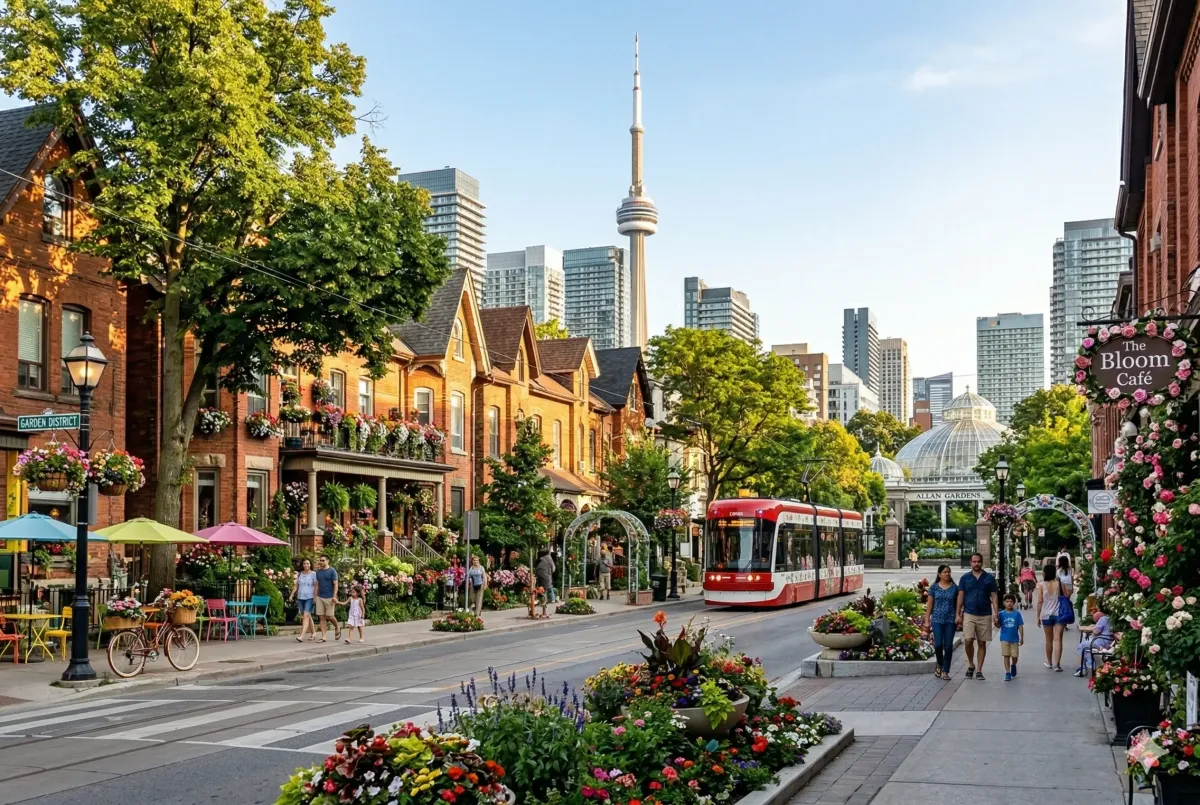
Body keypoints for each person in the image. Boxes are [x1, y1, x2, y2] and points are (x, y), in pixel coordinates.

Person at [956, 552, 999, 681]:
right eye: (974, 561)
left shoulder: (989, 579)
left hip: (985, 613)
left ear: (982, 562)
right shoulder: (965, 578)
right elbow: (960, 596)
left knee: (982, 642)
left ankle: (979, 669)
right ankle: (970, 664)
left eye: (978, 561)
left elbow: (994, 596)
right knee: (968, 640)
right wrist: (957, 614)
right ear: (970, 563)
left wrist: (996, 613)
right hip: (969, 612)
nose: (976, 564)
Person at [923, 564, 958, 680]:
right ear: (939, 574)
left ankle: (946, 671)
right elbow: (930, 605)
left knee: (948, 646)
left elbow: (958, 605)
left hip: (950, 620)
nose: (947, 574)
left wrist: (959, 616)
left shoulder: (955, 588)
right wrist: (927, 620)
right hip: (937, 620)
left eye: (948, 572)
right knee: (938, 645)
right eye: (944, 572)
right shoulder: (934, 588)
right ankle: (939, 664)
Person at [1036, 563, 1067, 671]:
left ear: (1044, 573)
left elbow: (1040, 601)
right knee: (1058, 639)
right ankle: (1057, 664)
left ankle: (1049, 662)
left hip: (1046, 615)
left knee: (1048, 639)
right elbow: (1066, 596)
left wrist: (1037, 616)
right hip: (1059, 614)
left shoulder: (1040, 585)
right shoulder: (1059, 584)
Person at [1075, 603, 1114, 677]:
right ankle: (1089, 664)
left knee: (1082, 645)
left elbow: (1096, 632)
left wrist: (1094, 628)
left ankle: (1084, 668)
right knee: (1087, 645)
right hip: (1110, 642)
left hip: (1101, 642)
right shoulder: (1113, 619)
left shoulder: (1104, 619)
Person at [290, 558, 318, 643]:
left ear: (310, 564)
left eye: (308, 563)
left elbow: (316, 586)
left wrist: (315, 597)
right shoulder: (300, 574)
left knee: (306, 616)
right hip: (301, 597)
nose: (306, 565)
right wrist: (292, 594)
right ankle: (313, 633)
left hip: (309, 597)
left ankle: (301, 636)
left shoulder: (314, 574)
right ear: (302, 565)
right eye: (305, 564)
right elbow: (296, 586)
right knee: (306, 615)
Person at [998, 593, 1024, 682]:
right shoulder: (1001, 614)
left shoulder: (1017, 614)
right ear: (1004, 603)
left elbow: (1020, 626)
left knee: (1014, 656)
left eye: (1011, 601)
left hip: (1014, 639)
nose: (1009, 603)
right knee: (1006, 655)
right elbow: (998, 625)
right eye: (1007, 601)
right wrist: (995, 622)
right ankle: (1007, 672)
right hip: (1004, 638)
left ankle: (1013, 665)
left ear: (1014, 603)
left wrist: (1022, 638)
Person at [314, 555, 340, 643]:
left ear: (327, 561)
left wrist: (334, 596)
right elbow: (317, 584)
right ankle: (324, 636)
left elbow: (336, 584)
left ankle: (337, 626)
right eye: (320, 560)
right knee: (321, 617)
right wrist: (315, 596)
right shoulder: (318, 572)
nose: (321, 562)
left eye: (323, 560)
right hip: (320, 596)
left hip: (329, 596)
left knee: (330, 616)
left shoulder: (332, 571)